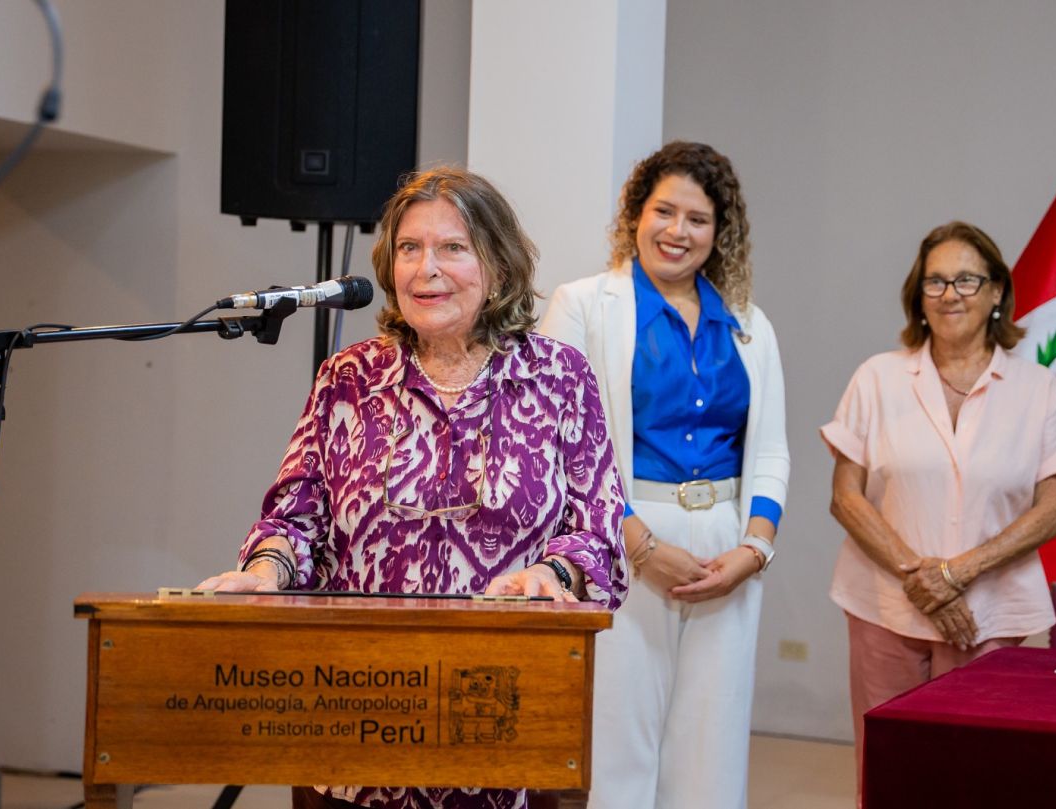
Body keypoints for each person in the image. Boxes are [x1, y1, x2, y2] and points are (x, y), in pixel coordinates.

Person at [197, 167, 627, 809]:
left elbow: (598, 531)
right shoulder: (348, 377)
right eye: (409, 248)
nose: (427, 267)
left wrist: (555, 576)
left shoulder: (559, 377)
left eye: (453, 247)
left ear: (499, 268)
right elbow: (298, 514)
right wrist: (266, 569)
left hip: (503, 711)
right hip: (355, 707)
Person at [539, 141, 790, 809]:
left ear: (719, 231)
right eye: (664, 211)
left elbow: (770, 453)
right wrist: (637, 544)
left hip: (726, 545)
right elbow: (557, 448)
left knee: (711, 751)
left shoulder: (748, 325)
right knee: (620, 745)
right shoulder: (584, 305)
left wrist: (754, 548)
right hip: (621, 537)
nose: (678, 232)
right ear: (635, 215)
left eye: (698, 219)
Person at [820, 221, 1056, 793]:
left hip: (992, 614)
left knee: (979, 774)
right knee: (889, 766)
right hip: (884, 608)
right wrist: (921, 578)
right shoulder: (878, 377)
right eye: (935, 282)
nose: (951, 295)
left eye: (967, 280)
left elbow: (1052, 512)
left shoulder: (1039, 389)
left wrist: (956, 573)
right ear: (918, 297)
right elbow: (846, 498)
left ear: (997, 291)